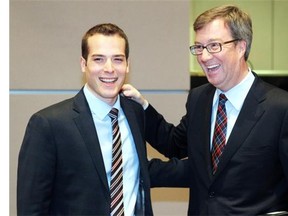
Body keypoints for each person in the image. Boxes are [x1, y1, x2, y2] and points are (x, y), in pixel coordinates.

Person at [122, 5, 288, 215]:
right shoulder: (199, 98)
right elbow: (175, 145)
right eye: (199, 47)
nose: (204, 57)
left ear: (241, 47)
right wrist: (142, 106)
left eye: (214, 46)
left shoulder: (280, 109)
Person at [17, 23, 188, 216]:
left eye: (117, 59)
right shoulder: (48, 124)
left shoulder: (134, 112)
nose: (109, 69)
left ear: (127, 64)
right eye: (99, 59)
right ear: (83, 64)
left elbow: (136, 168)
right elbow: (31, 208)